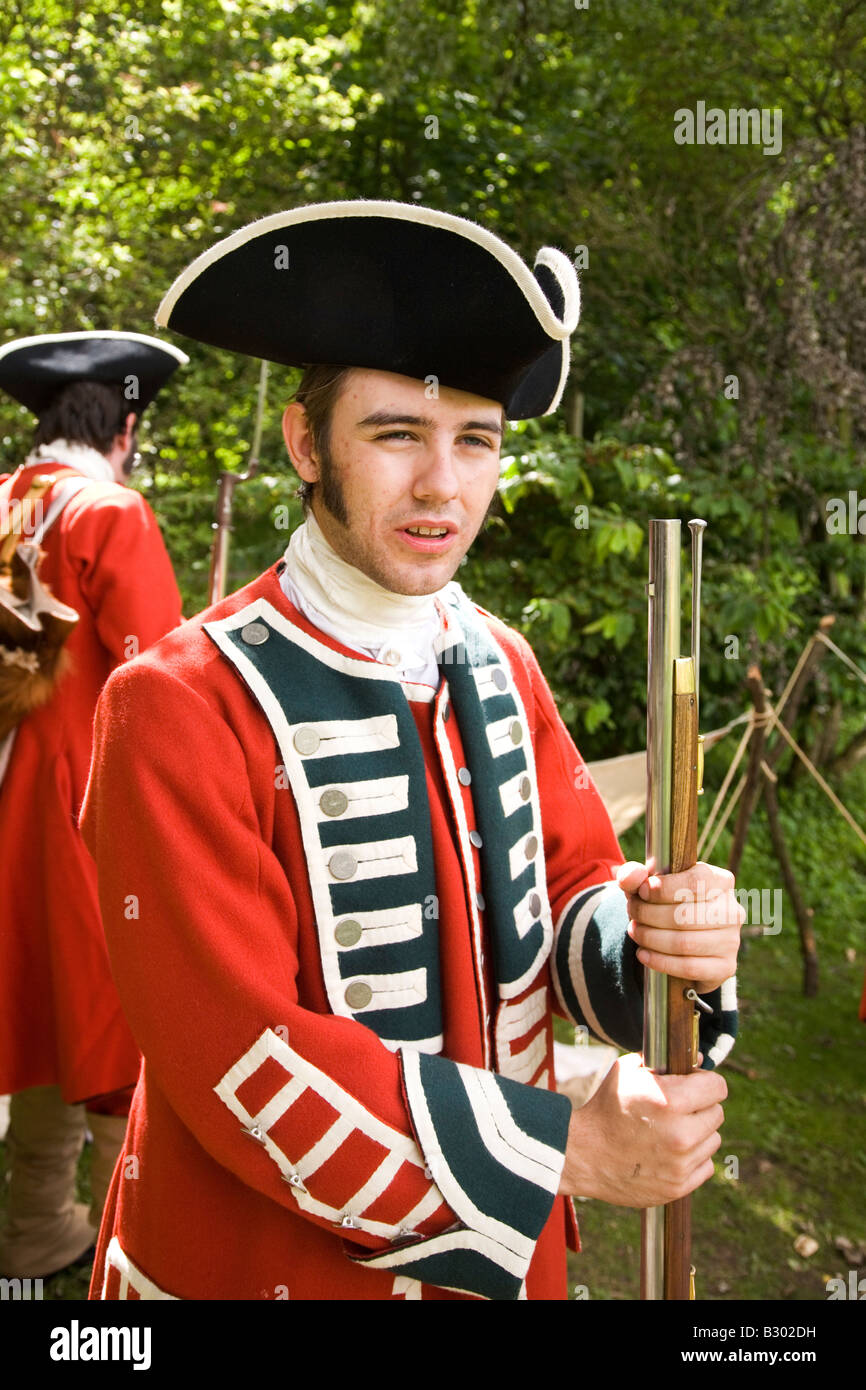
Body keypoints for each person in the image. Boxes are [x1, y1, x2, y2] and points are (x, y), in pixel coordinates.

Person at [82, 202, 740, 1301]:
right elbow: (237, 1052)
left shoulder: (500, 660)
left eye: (474, 440)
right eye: (396, 435)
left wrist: (661, 940)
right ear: (305, 443)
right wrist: (563, 1148)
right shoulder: (173, 701)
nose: (443, 485)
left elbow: (567, 890)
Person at [0, 331, 186, 1279]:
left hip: (5, 791)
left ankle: (36, 1218)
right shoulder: (108, 509)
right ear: (124, 426)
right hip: (74, 798)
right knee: (114, 996)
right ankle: (134, 1229)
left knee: (33, 995)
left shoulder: (3, 500)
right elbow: (158, 676)